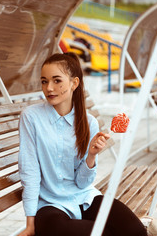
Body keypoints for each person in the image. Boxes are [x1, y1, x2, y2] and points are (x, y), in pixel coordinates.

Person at [18, 52, 149, 236]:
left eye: (57, 81)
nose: (49, 88)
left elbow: (82, 183)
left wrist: (91, 155)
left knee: (135, 231)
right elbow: (29, 171)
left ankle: (143, 226)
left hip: (83, 197)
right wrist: (30, 223)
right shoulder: (31, 118)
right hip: (50, 205)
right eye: (44, 81)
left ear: (74, 83)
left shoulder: (89, 123)